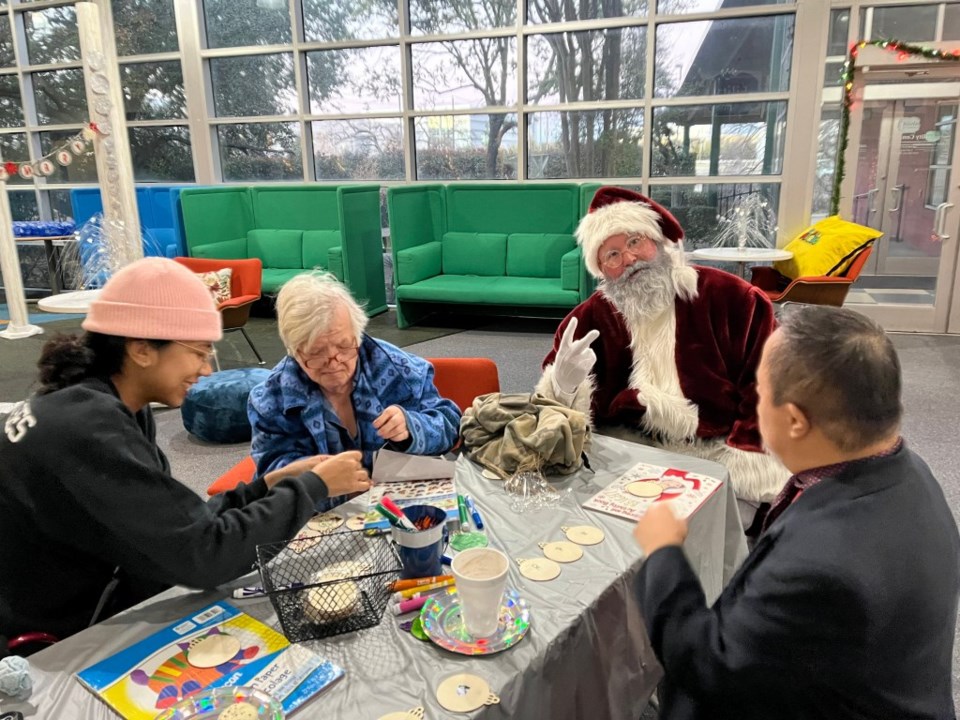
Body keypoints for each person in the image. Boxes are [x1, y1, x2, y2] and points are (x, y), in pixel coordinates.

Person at [0, 258, 371, 644]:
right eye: (198, 351)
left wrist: (265, 487)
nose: (207, 369)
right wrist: (312, 488)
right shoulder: (88, 428)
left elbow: (176, 526)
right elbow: (205, 556)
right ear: (142, 349)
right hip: (52, 641)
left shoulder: (104, 406)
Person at [633, 305, 960, 720]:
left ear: (794, 421)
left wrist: (663, 553)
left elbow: (709, 667)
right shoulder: (910, 472)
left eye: (760, 390)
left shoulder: (819, 566)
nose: (754, 402)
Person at [536, 186, 788, 530]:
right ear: (600, 270)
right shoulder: (589, 319)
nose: (628, 259)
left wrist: (747, 454)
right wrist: (563, 388)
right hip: (629, 445)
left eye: (635, 242)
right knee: (600, 527)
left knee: (707, 533)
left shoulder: (734, 298)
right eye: (611, 255)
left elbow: (768, 385)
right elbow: (555, 415)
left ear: (659, 240)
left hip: (717, 447)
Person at [248, 272, 460, 511]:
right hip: (323, 519)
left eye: (343, 345)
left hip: (404, 507)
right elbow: (269, 476)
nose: (334, 361)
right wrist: (319, 479)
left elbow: (450, 427)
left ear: (358, 335)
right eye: (316, 352)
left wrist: (411, 427)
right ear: (294, 351)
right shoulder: (271, 399)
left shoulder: (398, 369)